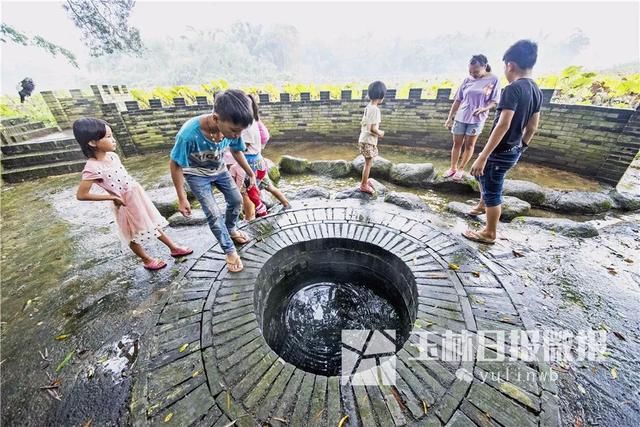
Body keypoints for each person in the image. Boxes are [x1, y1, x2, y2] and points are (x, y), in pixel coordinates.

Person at [74, 117, 192, 270]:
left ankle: (173, 247)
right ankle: (146, 259)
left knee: (151, 222)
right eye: (108, 137)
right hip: (123, 203)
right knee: (131, 234)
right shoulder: (92, 167)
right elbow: (81, 195)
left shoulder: (113, 156)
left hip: (136, 196)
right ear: (92, 142)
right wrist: (111, 197)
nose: (114, 140)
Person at [463, 40, 542, 244]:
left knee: (492, 189)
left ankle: (489, 232)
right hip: (514, 149)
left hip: (500, 151)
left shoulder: (512, 90)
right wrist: (521, 147)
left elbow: (503, 125)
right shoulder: (536, 90)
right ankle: (482, 205)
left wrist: (483, 155)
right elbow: (533, 126)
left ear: (510, 65)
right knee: (484, 177)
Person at [170, 89, 256, 273]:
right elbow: (175, 164)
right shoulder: (188, 135)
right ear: (216, 119)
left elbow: (236, 150)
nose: (236, 135)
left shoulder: (232, 131)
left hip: (220, 169)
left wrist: (250, 172)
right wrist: (182, 197)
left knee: (236, 201)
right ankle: (229, 250)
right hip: (196, 175)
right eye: (234, 130)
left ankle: (231, 229)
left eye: (240, 131)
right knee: (213, 213)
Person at [444, 55, 500, 180]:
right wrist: (450, 117)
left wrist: (484, 108)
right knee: (457, 144)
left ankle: (461, 168)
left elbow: (494, 101)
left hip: (477, 119)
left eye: (476, 71)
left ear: (484, 67)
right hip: (461, 116)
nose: (472, 74)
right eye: (470, 71)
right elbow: (458, 100)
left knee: (469, 145)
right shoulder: (467, 80)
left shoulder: (493, 80)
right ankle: (452, 167)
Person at [358, 81, 386, 194]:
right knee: (368, 163)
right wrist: (381, 133)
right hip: (368, 141)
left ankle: (365, 181)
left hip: (363, 139)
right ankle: (364, 185)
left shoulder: (368, 107)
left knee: (367, 163)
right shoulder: (375, 110)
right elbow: (372, 129)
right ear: (381, 96)